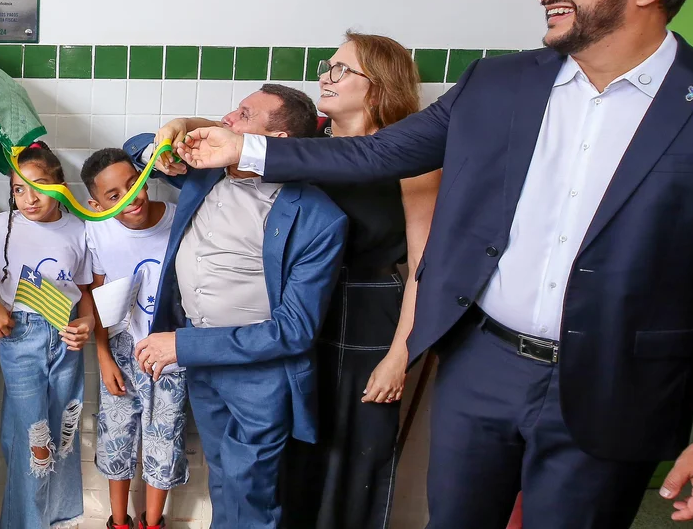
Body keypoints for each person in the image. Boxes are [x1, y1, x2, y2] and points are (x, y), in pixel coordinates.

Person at [174, 0, 693, 525]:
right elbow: (377, 153)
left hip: (616, 383)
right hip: (483, 362)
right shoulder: (500, 83)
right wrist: (245, 147)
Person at [126, 85, 347, 529]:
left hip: (259, 376)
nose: (227, 119)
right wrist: (178, 130)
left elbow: (294, 331)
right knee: (223, 478)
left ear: (275, 143)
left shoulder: (319, 218)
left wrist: (183, 346)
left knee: (251, 490)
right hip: (204, 367)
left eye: (243, 115)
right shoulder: (206, 173)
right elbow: (134, 149)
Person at [277, 32, 439, 529]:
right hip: (298, 308)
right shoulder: (307, 151)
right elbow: (235, 137)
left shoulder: (412, 159)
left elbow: (422, 266)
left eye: (341, 69)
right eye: (328, 65)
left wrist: (400, 355)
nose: (325, 76)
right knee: (294, 449)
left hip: (370, 315)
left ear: (379, 85)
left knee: (356, 452)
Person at [0, 142, 95, 529]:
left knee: (61, 434)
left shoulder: (80, 229)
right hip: (21, 334)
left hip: (65, 338)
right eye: (18, 189)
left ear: (61, 184)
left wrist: (87, 324)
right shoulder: (2, 226)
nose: (29, 199)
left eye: (40, 186)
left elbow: (87, 292)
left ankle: (49, 519)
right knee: (33, 437)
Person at [81, 148, 185, 529]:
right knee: (116, 436)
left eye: (134, 184)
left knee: (164, 438)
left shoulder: (179, 220)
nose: (132, 197)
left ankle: (153, 522)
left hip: (171, 350)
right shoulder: (96, 231)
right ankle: (119, 521)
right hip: (122, 349)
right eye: (114, 195)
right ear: (96, 203)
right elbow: (96, 298)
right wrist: (103, 357)